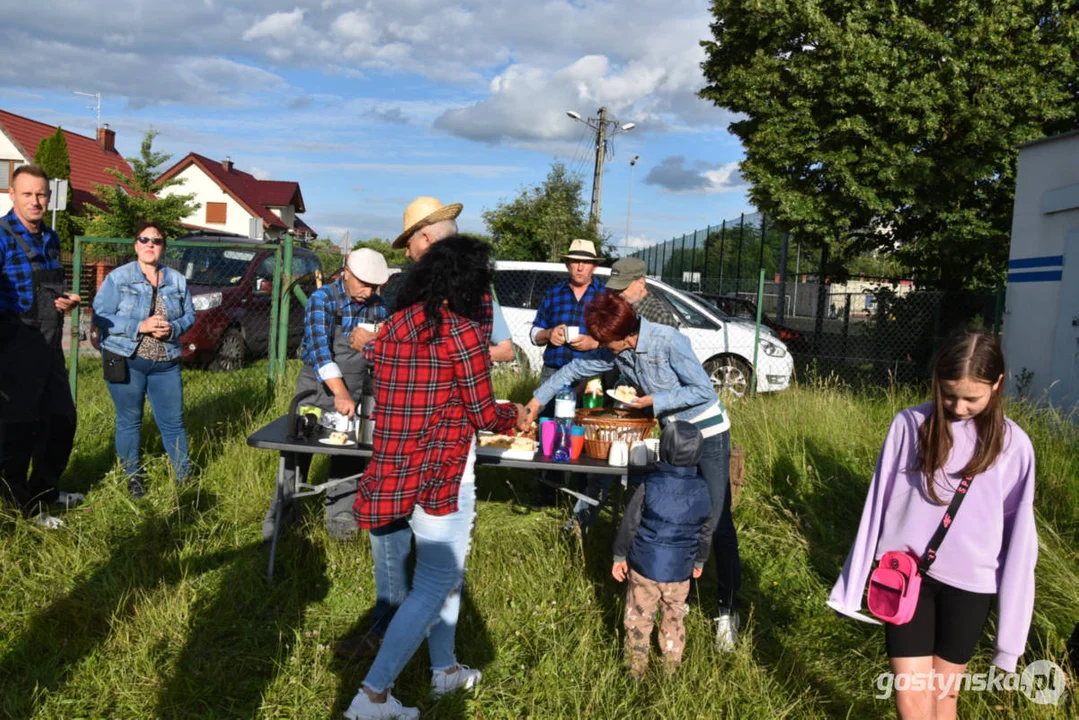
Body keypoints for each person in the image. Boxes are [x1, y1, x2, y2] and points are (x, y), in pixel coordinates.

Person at [343, 235, 525, 720]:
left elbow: (404, 383)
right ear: (468, 283)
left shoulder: (396, 325)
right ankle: (372, 696)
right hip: (444, 475)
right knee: (435, 583)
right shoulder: (463, 333)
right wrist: (518, 414)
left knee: (438, 580)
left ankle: (443, 671)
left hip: (397, 471)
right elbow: (484, 412)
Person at [828, 330, 1037, 720]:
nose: (958, 407)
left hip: (971, 588)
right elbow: (876, 504)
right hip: (906, 578)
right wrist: (851, 586)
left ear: (997, 384)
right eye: (948, 394)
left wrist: (1010, 640)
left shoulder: (1015, 446)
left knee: (944, 700)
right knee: (911, 697)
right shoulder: (909, 425)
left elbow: (1020, 541)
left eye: (972, 398)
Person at [521, 292, 744, 651]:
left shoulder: (667, 341)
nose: (602, 348)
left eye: (606, 341)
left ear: (625, 334)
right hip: (674, 436)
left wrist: (653, 401)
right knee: (673, 516)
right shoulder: (617, 349)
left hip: (708, 432)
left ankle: (726, 610)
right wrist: (534, 402)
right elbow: (575, 368)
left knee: (716, 521)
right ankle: (676, 596)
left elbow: (703, 390)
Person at [261, 248, 389, 542]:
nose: (368, 292)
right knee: (297, 450)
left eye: (375, 286)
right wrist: (340, 393)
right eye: (363, 284)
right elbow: (320, 354)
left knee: (349, 453)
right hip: (315, 385)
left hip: (358, 386)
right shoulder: (323, 300)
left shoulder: (380, 307)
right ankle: (283, 512)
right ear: (346, 272)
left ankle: (341, 515)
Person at [0, 164, 83, 527]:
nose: (36, 201)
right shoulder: (1, 237)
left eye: (41, 194)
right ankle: (19, 509)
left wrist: (65, 301)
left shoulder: (51, 238)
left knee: (61, 420)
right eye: (28, 194)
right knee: (19, 430)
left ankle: (44, 492)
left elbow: (49, 290)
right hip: (15, 346)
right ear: (12, 194)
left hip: (49, 347)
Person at [91, 222, 196, 496]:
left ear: (163, 247)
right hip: (127, 359)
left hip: (166, 363)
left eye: (157, 240)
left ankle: (185, 480)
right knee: (130, 420)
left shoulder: (176, 280)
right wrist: (140, 325)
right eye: (144, 239)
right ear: (136, 245)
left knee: (173, 422)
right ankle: (133, 477)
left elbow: (189, 316)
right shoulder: (118, 278)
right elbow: (101, 315)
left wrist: (173, 328)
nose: (150, 244)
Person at [612, 420, 712, 678]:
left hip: (645, 567)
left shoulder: (649, 484)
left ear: (663, 450)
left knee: (639, 618)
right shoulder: (703, 489)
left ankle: (635, 669)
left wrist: (619, 555)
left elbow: (630, 523)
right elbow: (705, 530)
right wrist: (699, 561)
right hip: (680, 572)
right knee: (674, 619)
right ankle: (671, 668)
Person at [375, 196, 513, 364]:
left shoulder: (414, 290)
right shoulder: (478, 287)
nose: (407, 253)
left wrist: (374, 342)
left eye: (409, 244)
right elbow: (505, 350)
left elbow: (506, 351)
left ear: (426, 238)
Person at [530, 238, 605, 509]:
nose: (580, 267)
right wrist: (549, 334)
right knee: (548, 430)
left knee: (586, 431)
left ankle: (584, 495)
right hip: (554, 370)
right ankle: (548, 493)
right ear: (567, 264)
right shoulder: (553, 295)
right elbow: (533, 332)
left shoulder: (605, 296)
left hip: (591, 375)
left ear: (594, 266)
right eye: (575, 261)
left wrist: (594, 343)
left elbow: (616, 337)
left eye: (585, 262)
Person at [605, 257, 679, 328]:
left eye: (622, 287)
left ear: (641, 283)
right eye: (614, 288)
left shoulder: (660, 317)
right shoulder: (620, 308)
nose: (617, 293)